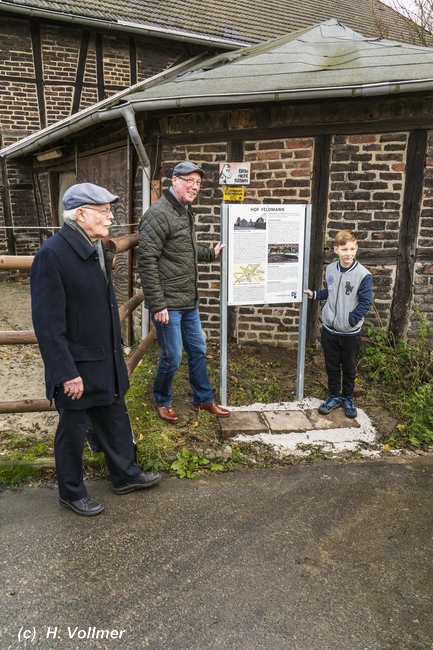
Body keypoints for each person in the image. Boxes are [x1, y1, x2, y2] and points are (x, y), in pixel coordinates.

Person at [30, 182, 161, 517]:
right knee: (72, 430)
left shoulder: (97, 248)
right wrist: (66, 373)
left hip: (105, 359)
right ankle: (71, 493)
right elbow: (48, 326)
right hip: (77, 365)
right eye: (104, 211)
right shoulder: (52, 255)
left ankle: (125, 475)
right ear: (81, 214)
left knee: (115, 415)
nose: (111, 217)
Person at [138, 161, 230, 423]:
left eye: (198, 183)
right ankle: (162, 400)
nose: (195, 187)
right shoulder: (158, 214)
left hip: (188, 300)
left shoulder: (183, 211)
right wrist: (158, 304)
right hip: (168, 302)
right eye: (189, 180)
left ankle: (203, 399)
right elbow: (147, 261)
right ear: (174, 180)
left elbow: (184, 249)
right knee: (173, 355)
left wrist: (210, 253)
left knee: (198, 350)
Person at [304, 229, 373, 419]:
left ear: (356, 249)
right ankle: (334, 396)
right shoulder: (331, 269)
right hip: (329, 330)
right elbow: (331, 291)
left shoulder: (363, 275)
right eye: (344, 249)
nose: (348, 253)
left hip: (350, 333)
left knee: (349, 367)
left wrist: (351, 320)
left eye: (352, 249)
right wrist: (316, 294)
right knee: (332, 366)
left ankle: (348, 398)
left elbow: (366, 302)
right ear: (336, 250)